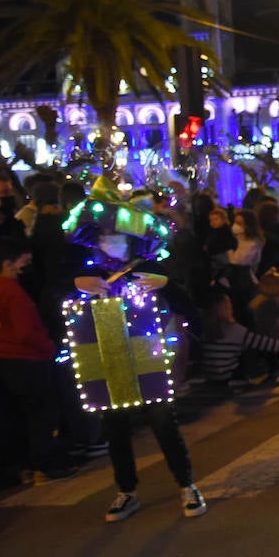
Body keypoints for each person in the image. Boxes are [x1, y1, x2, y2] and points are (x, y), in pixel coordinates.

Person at [67, 179, 208, 523]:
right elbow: (63, 311)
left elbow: (190, 308)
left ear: (130, 238)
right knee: (114, 426)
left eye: (113, 234)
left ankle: (187, 484)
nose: (107, 241)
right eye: (101, 236)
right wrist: (73, 287)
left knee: (162, 422)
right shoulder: (90, 274)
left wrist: (168, 286)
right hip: (108, 358)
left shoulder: (152, 269)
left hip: (150, 359)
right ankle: (126, 490)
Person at [0, 237, 73, 485]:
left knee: (18, 418)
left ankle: (26, 466)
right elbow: (27, 332)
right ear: (8, 263)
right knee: (42, 416)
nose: (27, 266)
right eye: (24, 261)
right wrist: (50, 348)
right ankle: (46, 466)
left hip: (3, 359)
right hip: (29, 360)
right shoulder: (14, 294)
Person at [201, 289, 279, 385]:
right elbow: (264, 343)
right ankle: (271, 370)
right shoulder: (233, 329)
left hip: (211, 376)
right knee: (253, 344)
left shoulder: (207, 329)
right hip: (227, 376)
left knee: (245, 343)